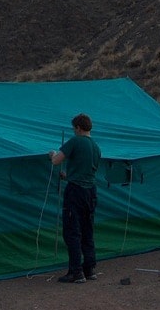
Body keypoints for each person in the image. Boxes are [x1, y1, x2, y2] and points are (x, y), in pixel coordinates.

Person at [49, 113, 102, 283]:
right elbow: (86, 171)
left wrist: (52, 155)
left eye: (74, 128)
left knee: (72, 231)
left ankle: (75, 272)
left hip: (75, 192)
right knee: (88, 230)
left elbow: (56, 161)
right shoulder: (96, 146)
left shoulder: (75, 141)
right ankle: (90, 269)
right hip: (91, 192)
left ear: (78, 127)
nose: (73, 130)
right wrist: (68, 176)